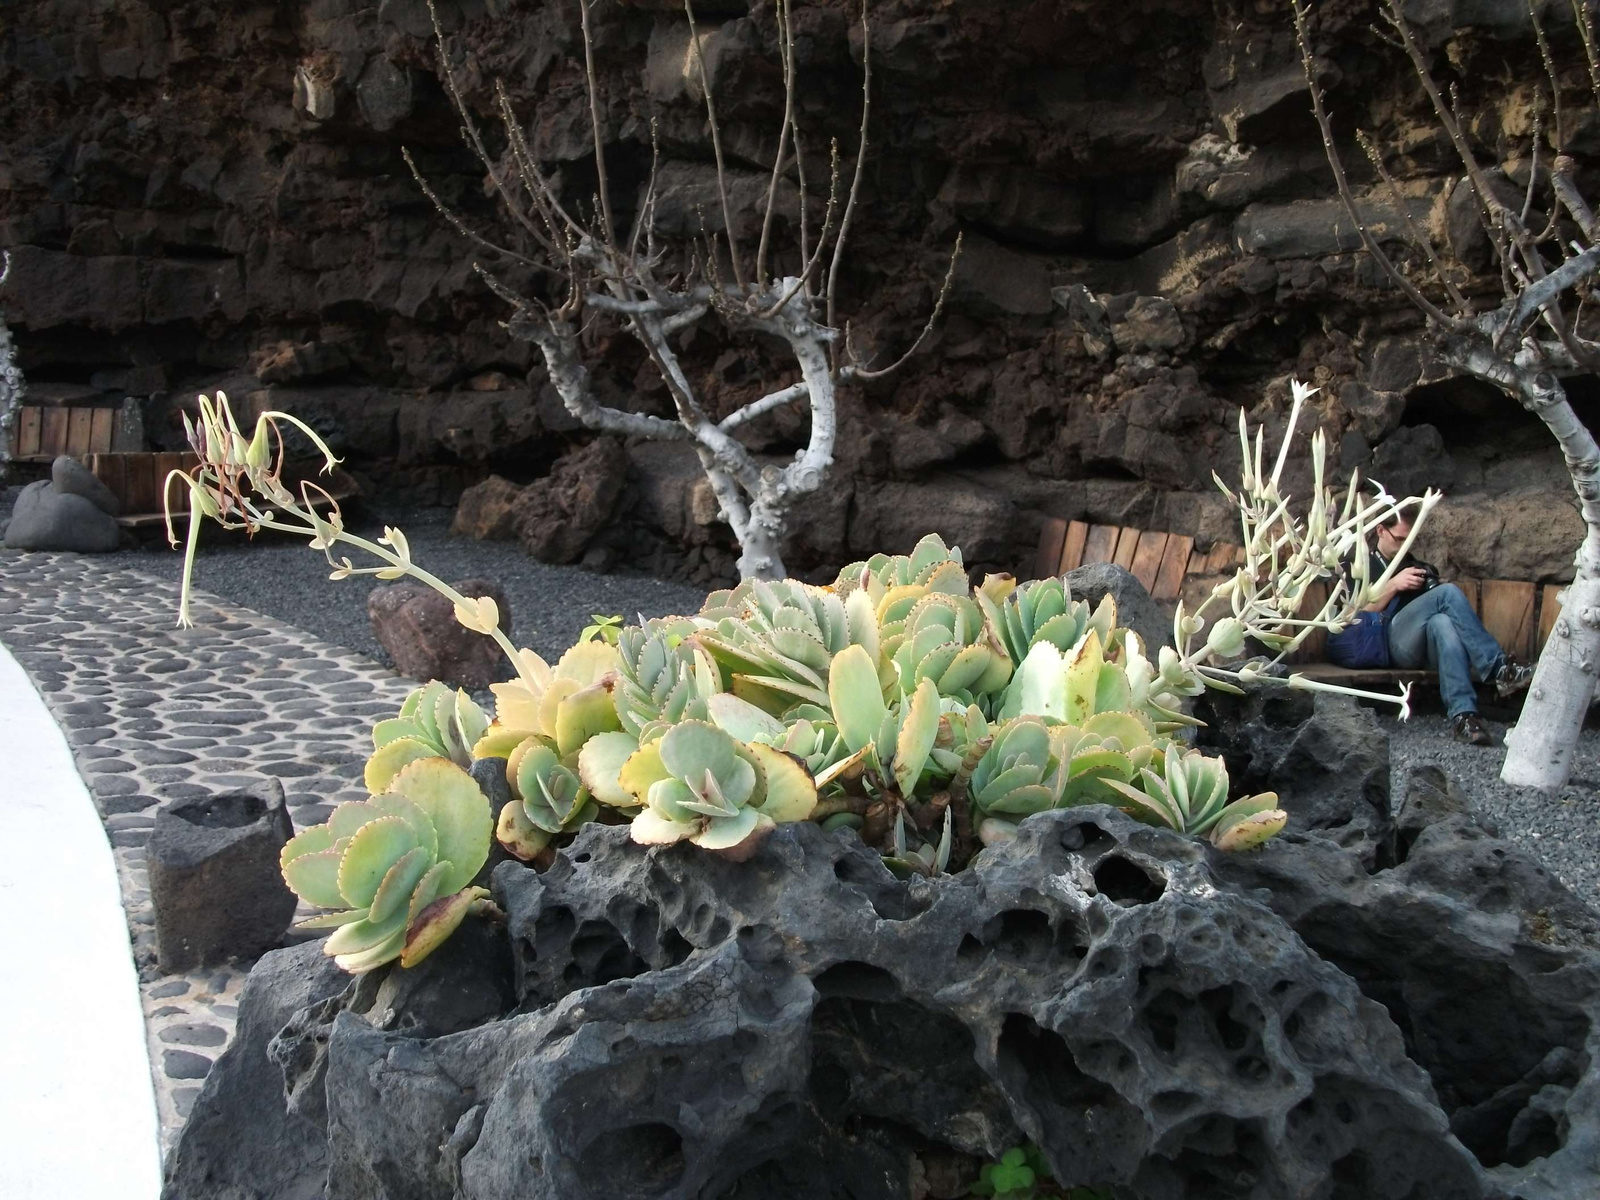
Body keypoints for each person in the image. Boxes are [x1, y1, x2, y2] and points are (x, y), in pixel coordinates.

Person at [1325, 509, 1532, 745]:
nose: (1404, 545)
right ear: (1381, 531)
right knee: (1448, 594)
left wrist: (1428, 589)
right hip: (1382, 644)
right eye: (1400, 539)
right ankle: (1499, 669)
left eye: (1410, 539)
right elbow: (1350, 615)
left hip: (1420, 648)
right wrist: (1394, 585)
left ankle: (1463, 716)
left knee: (1443, 622)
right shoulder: (1360, 565)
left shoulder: (1415, 566)